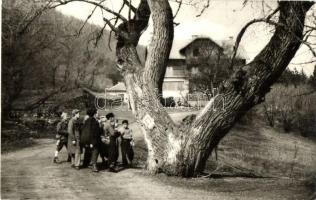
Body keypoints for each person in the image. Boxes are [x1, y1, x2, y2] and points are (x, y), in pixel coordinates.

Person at [80, 108, 101, 172]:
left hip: (85, 139)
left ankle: (85, 163)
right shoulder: (94, 121)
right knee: (95, 151)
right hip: (92, 139)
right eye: (97, 113)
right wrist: (92, 142)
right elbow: (94, 132)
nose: (98, 114)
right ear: (94, 114)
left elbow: (83, 130)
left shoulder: (87, 120)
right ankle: (94, 166)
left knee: (88, 150)